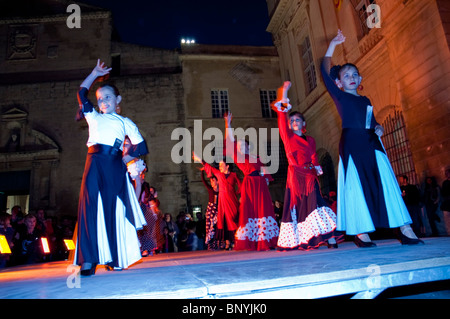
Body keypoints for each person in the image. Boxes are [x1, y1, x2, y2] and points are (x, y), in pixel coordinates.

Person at [321, 30, 423, 247]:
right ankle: (361, 232)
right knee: (356, 185)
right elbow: (324, 68)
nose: (350, 78)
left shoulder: (366, 99)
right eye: (346, 75)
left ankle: (405, 228)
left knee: (387, 182)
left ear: (360, 79)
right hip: (352, 145)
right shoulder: (339, 96)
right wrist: (333, 44)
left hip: (371, 142)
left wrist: (378, 128)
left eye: (354, 75)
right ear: (338, 82)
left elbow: (372, 120)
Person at [74, 59, 148, 275]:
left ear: (118, 99)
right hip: (94, 162)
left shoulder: (125, 122)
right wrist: (94, 74)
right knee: (89, 208)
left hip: (114, 164)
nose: (104, 101)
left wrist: (125, 158)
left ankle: (114, 257)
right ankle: (88, 260)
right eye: (100, 99)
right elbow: (81, 94)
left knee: (112, 209)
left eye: (108, 97)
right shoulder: (94, 116)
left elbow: (141, 144)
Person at [272, 82, 341, 250]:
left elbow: (313, 155)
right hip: (296, 175)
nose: (295, 121)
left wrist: (317, 166)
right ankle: (312, 238)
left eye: (298, 120)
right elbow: (282, 115)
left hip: (310, 175)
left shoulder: (310, 140)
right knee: (305, 207)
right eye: (292, 120)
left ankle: (330, 238)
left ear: (304, 124)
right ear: (289, 124)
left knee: (318, 202)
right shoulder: (287, 137)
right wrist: (285, 92)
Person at [224, 112, 279, 251]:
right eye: (239, 146)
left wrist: (265, 179)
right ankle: (254, 241)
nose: (241, 147)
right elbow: (230, 142)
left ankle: (266, 240)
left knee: (263, 209)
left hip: (260, 184)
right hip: (249, 184)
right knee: (252, 210)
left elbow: (263, 170)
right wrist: (228, 124)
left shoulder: (256, 156)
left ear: (248, 146)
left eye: (243, 145)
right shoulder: (238, 157)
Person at [193, 153, 241, 250]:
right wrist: (200, 160)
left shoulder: (233, 175)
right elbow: (209, 167)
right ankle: (227, 243)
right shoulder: (219, 174)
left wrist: (240, 196)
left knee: (234, 220)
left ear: (227, 166)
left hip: (232, 201)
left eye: (221, 165)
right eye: (219, 165)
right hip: (223, 202)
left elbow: (241, 186)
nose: (220, 167)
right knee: (224, 221)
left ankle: (236, 242)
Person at [200, 171, 220, 250]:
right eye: (211, 181)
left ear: (217, 181)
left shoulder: (220, 190)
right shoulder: (210, 189)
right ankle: (210, 245)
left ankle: (218, 244)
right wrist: (202, 171)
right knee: (210, 227)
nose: (211, 183)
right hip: (211, 209)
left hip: (218, 209)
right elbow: (204, 181)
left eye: (213, 181)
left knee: (217, 227)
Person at [440, 168, 450, 235]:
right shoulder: (445, 183)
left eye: (448, 173)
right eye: (446, 173)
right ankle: (449, 232)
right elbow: (443, 193)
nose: (446, 174)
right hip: (447, 203)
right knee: (447, 219)